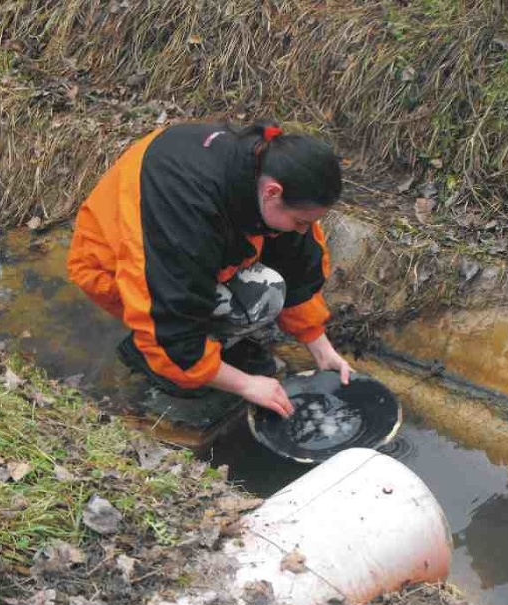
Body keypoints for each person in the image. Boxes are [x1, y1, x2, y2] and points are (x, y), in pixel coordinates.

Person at [67, 121, 351, 419]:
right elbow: (169, 320)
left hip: (180, 252)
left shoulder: (260, 170)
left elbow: (297, 264)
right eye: (301, 221)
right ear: (272, 192)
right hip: (109, 265)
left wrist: (321, 348)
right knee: (238, 311)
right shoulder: (184, 210)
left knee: (270, 287)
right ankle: (149, 357)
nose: (303, 229)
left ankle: (213, 350)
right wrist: (245, 385)